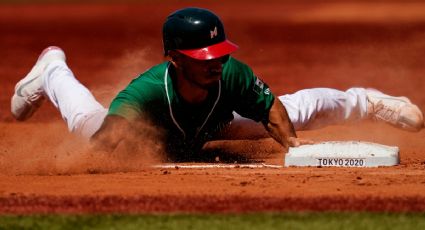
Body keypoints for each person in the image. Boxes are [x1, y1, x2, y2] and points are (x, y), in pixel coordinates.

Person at [11, 7, 424, 161]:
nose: (217, 63)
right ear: (174, 58)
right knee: (86, 122)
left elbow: (273, 111)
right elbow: (102, 149)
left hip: (212, 126)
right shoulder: (145, 94)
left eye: (220, 54)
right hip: (146, 137)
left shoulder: (231, 73)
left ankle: (366, 102)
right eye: (205, 58)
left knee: (292, 110)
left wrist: (293, 148)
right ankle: (51, 69)